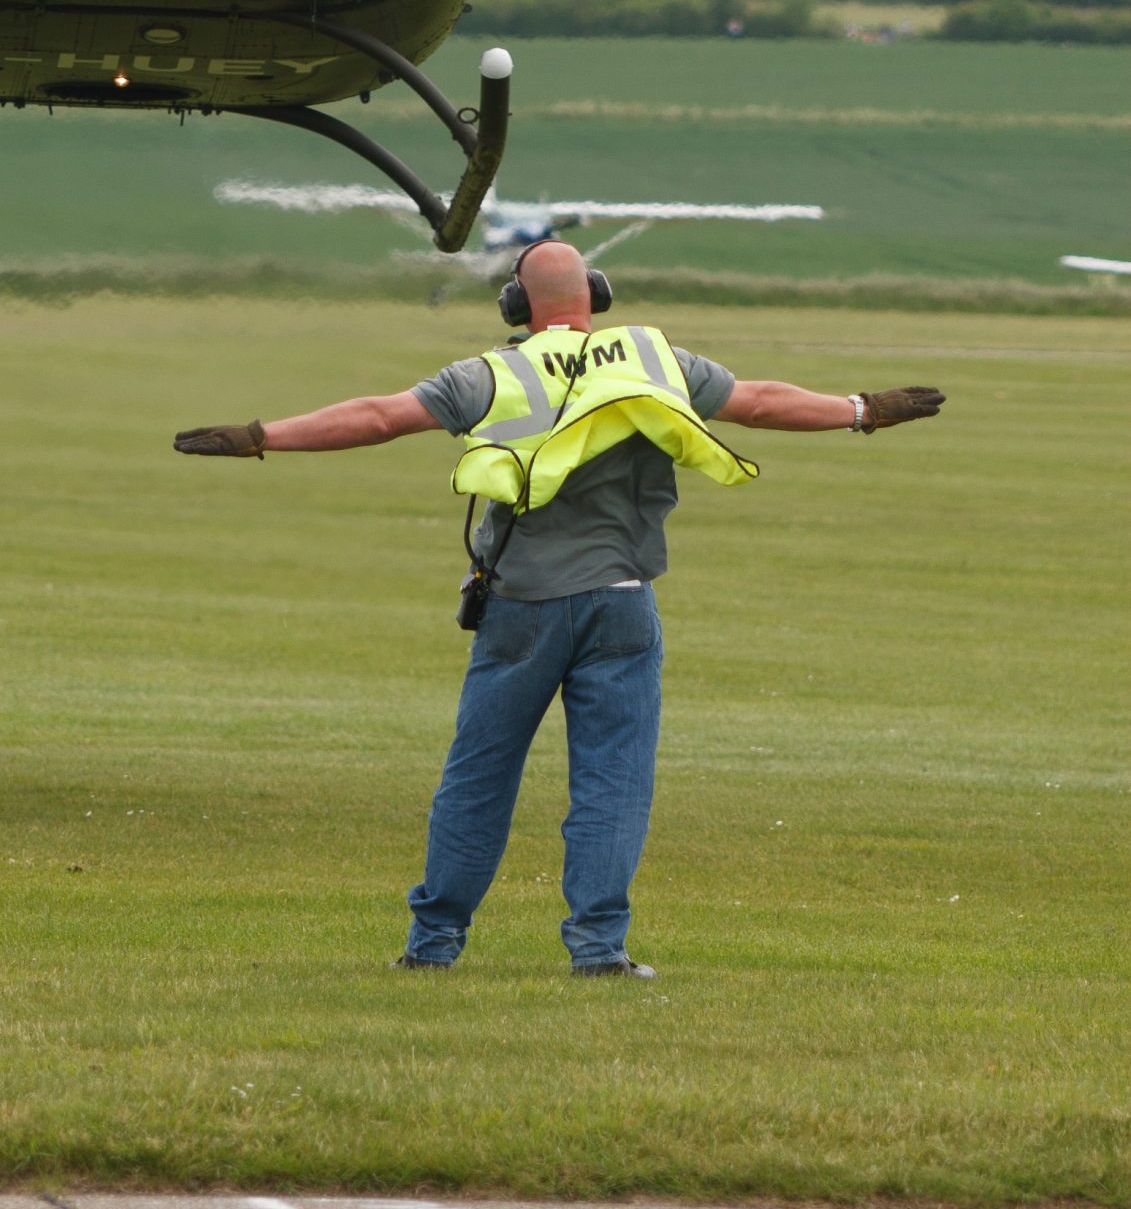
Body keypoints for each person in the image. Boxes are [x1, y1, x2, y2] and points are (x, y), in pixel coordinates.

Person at [173, 238, 944, 979]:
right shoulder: (655, 360)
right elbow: (762, 404)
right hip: (621, 607)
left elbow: (377, 418)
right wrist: (860, 408)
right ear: (596, 298)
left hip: (521, 610)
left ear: (517, 305)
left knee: (478, 778)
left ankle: (433, 943)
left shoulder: (487, 375)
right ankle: (598, 951)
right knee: (612, 784)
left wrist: (258, 435)